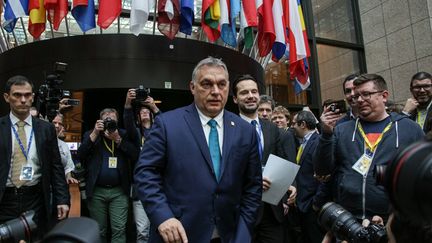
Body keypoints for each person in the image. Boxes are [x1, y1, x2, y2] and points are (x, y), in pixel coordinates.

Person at [134, 57, 262, 243]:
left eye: (222, 84)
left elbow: (253, 187)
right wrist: (163, 216)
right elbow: (145, 174)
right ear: (192, 87)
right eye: (207, 84)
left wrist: (243, 234)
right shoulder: (167, 124)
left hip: (230, 235)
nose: (215, 92)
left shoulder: (245, 130)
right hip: (178, 235)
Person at [314, 74, 424, 225]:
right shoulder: (342, 130)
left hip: (394, 220)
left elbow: (421, 175)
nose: (359, 99)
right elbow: (322, 171)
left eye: (366, 94)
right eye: (357, 95)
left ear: (384, 96)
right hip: (349, 220)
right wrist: (326, 134)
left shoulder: (409, 129)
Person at [0, 75, 70, 238]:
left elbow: (56, 167)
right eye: (17, 95)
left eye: (27, 95)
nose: (23, 100)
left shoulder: (46, 129)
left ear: (33, 96)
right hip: (5, 199)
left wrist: (62, 199)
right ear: (6, 97)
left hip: (36, 199)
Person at [231, 74, 296, 243]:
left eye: (254, 91)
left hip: (272, 211)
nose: (251, 96)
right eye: (244, 93)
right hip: (241, 211)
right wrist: (252, 181)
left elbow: (281, 161)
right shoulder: (227, 127)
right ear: (235, 99)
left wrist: (288, 186)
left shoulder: (272, 128)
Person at [77, 108, 139, 242]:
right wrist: (94, 133)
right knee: (99, 230)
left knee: (119, 229)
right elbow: (80, 154)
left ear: (117, 121)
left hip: (119, 191)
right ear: (100, 121)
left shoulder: (123, 134)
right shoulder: (92, 134)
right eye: (106, 120)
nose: (109, 122)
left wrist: (118, 139)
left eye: (112, 120)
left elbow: (135, 155)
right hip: (97, 191)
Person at [124, 90, 160, 243]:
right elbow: (127, 122)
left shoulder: (160, 132)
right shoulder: (137, 134)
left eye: (147, 111)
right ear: (138, 117)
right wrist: (127, 103)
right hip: (140, 190)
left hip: (160, 188)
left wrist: (154, 107)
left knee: (159, 229)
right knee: (142, 232)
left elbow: (166, 121)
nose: (145, 113)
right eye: (142, 112)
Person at [291, 111, 328, 243]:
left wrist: (316, 203)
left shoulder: (318, 142)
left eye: (294, 123)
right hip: (303, 204)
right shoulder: (303, 143)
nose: (292, 126)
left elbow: (324, 176)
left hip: (311, 206)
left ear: (303, 124)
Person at [52, 112, 78, 184]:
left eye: (60, 123)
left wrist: (68, 176)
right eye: (54, 122)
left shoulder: (64, 145)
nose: (57, 126)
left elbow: (68, 166)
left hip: (59, 183)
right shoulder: (40, 141)